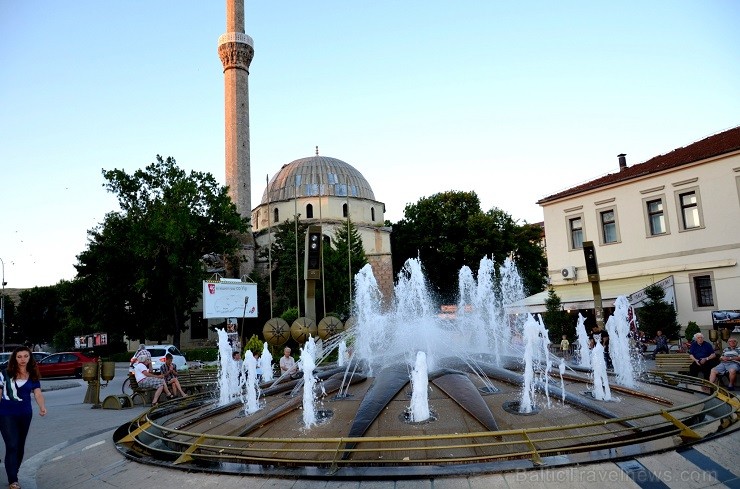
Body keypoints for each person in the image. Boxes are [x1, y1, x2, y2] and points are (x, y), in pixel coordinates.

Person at [0, 346, 47, 489]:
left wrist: (42, 407)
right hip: (6, 413)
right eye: (19, 356)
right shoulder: (4, 374)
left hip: (25, 413)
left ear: (29, 358)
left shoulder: (33, 375)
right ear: (14, 358)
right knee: (12, 445)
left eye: (25, 356)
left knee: (20, 447)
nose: (22, 359)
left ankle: (15, 471)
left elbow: (37, 393)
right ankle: (12, 480)